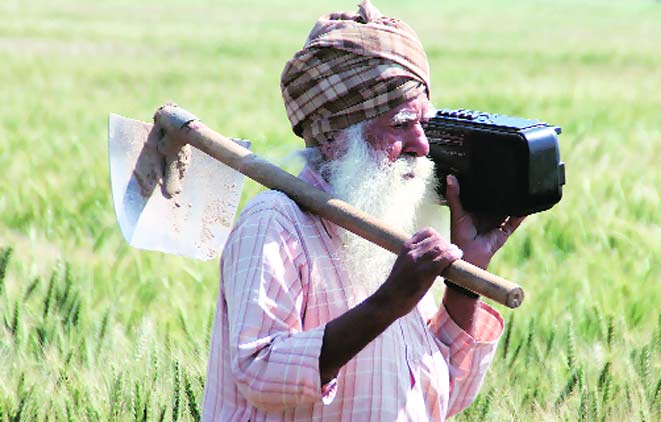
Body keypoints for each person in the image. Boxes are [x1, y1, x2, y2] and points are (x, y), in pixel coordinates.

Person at [202, 1, 525, 420]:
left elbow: (442, 397)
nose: (421, 145)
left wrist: (468, 277)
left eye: (424, 124)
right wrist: (389, 303)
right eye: (400, 124)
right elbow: (260, 373)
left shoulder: (393, 224)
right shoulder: (275, 224)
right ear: (337, 136)